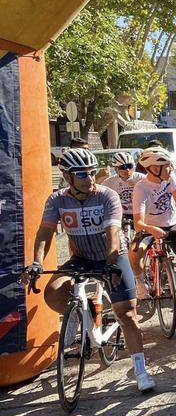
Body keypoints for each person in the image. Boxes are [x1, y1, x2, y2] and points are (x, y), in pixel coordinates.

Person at [27, 148, 155, 393]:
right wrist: (36, 263)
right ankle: (80, 313)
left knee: (127, 315)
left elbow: (113, 233)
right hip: (81, 258)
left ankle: (141, 371)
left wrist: (111, 264)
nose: (90, 178)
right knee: (52, 292)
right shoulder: (57, 200)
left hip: (112, 256)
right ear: (67, 177)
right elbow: (45, 232)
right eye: (82, 174)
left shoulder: (107, 196)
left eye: (92, 172)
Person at [129, 147, 176, 300]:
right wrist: (152, 229)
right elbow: (138, 223)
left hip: (172, 224)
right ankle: (140, 282)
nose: (172, 168)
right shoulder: (141, 188)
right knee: (135, 253)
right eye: (168, 165)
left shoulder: (171, 178)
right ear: (155, 169)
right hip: (149, 227)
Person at [102, 151, 143, 225]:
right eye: (123, 167)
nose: (127, 170)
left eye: (129, 166)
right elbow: (98, 194)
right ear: (116, 169)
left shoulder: (141, 178)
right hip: (120, 214)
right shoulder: (109, 181)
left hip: (140, 213)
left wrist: (137, 186)